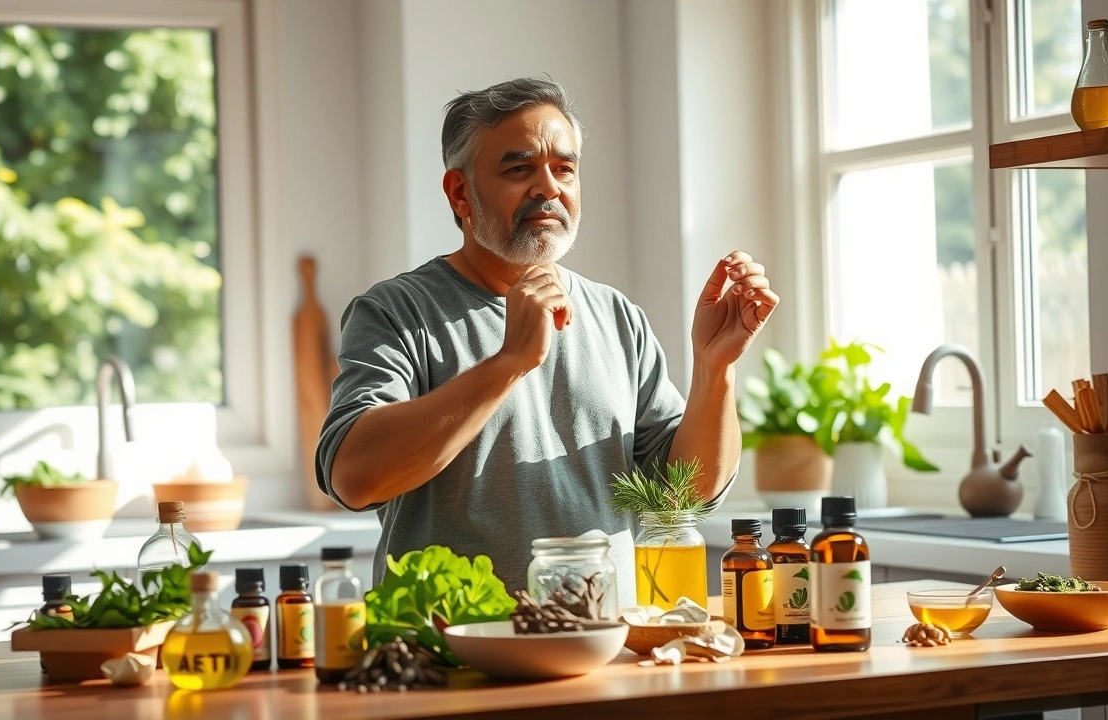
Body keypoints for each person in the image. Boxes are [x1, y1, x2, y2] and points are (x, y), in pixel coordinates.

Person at [316, 77, 778, 591]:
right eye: (519, 169)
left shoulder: (618, 316)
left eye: (565, 169)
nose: (549, 188)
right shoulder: (396, 311)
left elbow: (683, 495)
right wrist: (509, 361)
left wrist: (715, 368)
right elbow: (353, 478)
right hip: (447, 654)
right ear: (460, 193)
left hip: (604, 647)